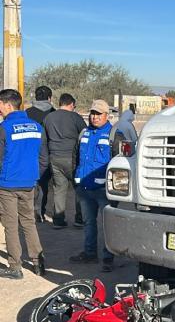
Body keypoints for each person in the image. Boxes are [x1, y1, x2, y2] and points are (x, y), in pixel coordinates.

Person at [0, 89, 48, 279]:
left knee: (11, 225)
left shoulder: (4, 128)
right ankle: (38, 261)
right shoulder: (36, 127)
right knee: (29, 222)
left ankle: (15, 266)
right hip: (29, 182)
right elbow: (44, 158)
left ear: (8, 104)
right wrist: (34, 175)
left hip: (7, 184)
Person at [70, 99, 115, 272]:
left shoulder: (113, 135)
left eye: (98, 114)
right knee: (89, 223)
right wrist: (75, 179)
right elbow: (76, 157)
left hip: (104, 190)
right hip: (85, 188)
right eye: (92, 113)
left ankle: (108, 258)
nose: (94, 117)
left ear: (106, 115)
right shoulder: (84, 133)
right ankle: (90, 254)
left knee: (108, 226)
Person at [43, 93, 86, 228]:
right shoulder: (75, 117)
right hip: (72, 158)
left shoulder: (49, 117)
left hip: (54, 157)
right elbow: (84, 135)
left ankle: (58, 220)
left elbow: (44, 138)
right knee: (79, 189)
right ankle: (79, 219)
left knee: (59, 189)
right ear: (71, 104)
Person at [26, 85, 55, 223]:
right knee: (43, 184)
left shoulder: (27, 112)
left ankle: (27, 211)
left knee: (28, 184)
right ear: (50, 98)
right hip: (46, 153)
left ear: (35, 97)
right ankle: (40, 211)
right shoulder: (53, 112)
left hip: (28, 152)